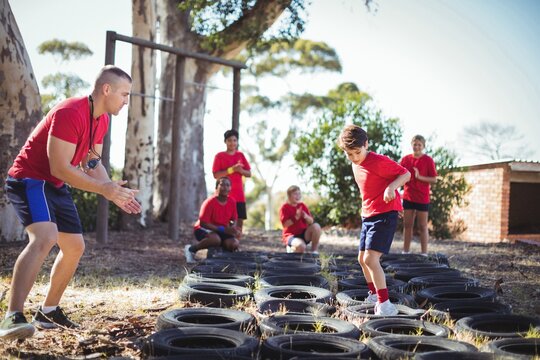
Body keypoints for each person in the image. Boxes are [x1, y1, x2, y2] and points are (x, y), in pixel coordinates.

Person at [0, 65, 141, 340]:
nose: (126, 101)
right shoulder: (71, 112)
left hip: (54, 183)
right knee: (45, 237)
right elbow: (60, 168)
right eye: (124, 94)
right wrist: (105, 189)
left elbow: (91, 162)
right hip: (30, 178)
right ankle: (12, 317)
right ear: (106, 89)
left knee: (75, 247)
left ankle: (48, 311)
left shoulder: (101, 120)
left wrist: (114, 191)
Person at [338, 124, 410, 316]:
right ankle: (373, 294)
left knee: (371, 258)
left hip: (384, 214)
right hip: (368, 215)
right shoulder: (355, 164)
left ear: (366, 144)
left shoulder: (379, 161)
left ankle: (385, 304)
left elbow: (405, 174)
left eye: (357, 152)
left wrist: (392, 189)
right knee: (362, 259)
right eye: (349, 154)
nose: (354, 157)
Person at [185, 177, 241, 263]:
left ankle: (219, 254)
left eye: (228, 185)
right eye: (222, 184)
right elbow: (203, 223)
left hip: (222, 230)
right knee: (215, 240)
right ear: (216, 187)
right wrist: (222, 229)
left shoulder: (232, 201)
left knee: (234, 244)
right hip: (203, 229)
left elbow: (234, 219)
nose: (225, 187)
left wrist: (233, 228)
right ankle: (191, 249)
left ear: (230, 188)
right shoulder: (209, 202)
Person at [400, 135, 438, 255]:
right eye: (415, 144)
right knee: (407, 225)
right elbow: (399, 175)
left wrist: (419, 177)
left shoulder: (428, 160)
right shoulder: (405, 159)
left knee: (422, 226)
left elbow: (434, 179)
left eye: (419, 145)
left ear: (423, 146)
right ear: (411, 144)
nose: (416, 147)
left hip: (422, 197)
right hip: (408, 196)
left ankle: (424, 253)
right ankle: (405, 251)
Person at [212, 129, 251, 234]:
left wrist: (241, 170)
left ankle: (235, 246)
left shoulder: (240, 155)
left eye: (234, 140)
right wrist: (231, 169)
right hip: (224, 196)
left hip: (239, 195)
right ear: (225, 141)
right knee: (223, 223)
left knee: (239, 224)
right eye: (229, 140)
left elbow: (249, 174)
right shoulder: (219, 156)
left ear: (237, 142)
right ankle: (223, 245)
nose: (232, 143)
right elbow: (216, 175)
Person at [279, 185, 321, 254]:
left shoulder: (302, 205)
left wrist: (306, 216)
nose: (298, 196)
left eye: (299, 194)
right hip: (291, 236)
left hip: (304, 233)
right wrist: (296, 217)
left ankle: (314, 252)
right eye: (295, 194)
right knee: (301, 247)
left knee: (317, 226)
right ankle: (291, 248)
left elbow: (311, 221)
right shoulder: (284, 207)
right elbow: (285, 225)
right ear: (289, 196)